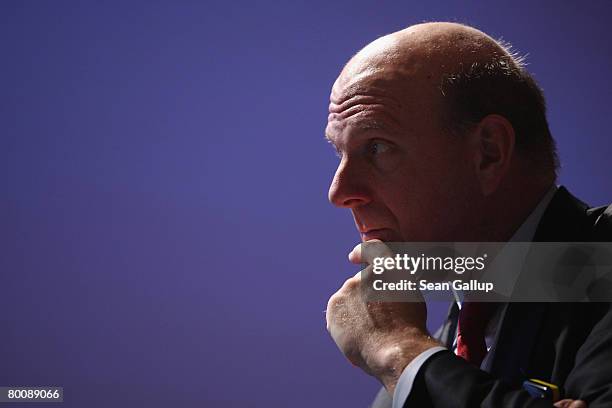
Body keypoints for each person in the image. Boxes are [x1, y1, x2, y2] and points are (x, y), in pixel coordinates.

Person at [324, 22, 612, 408]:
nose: (339, 193)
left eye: (377, 147)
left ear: (488, 153)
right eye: (339, 154)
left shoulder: (407, 363)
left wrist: (400, 351)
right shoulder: (423, 371)